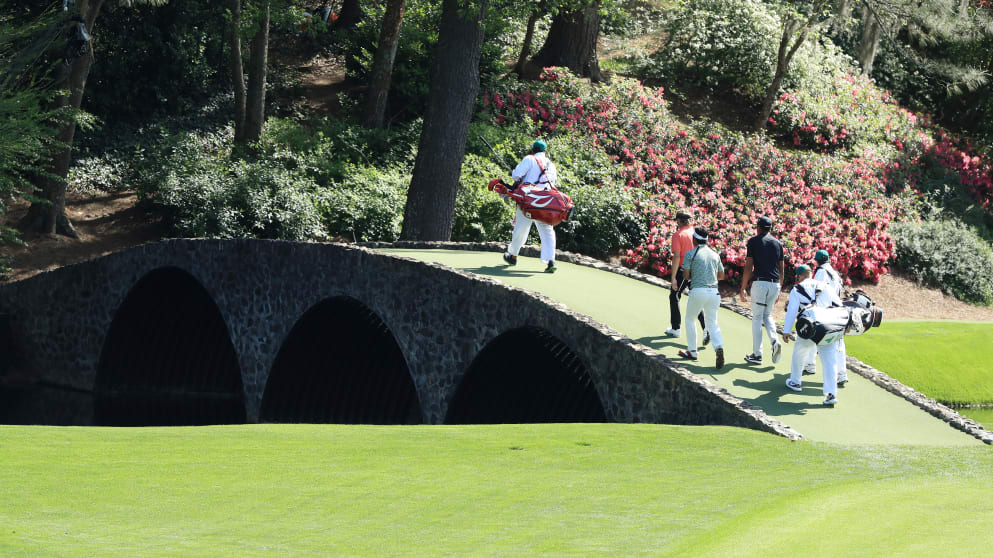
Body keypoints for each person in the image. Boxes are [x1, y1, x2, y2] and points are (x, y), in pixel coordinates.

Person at [781, 264, 844, 406]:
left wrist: (786, 331)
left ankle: (795, 382)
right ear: (811, 273)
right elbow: (839, 305)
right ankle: (831, 393)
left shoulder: (796, 289)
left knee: (799, 352)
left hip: (808, 325)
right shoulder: (826, 286)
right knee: (829, 360)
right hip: (827, 325)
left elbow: (791, 311)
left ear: (800, 276)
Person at [502, 139, 559, 273]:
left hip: (528, 200)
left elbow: (516, 175)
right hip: (545, 202)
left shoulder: (529, 159)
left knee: (521, 228)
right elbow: (553, 182)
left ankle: (513, 255)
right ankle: (550, 261)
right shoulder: (551, 165)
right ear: (545, 151)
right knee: (547, 231)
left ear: (533, 149)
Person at [677, 227, 726, 369]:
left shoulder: (690, 253)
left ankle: (692, 351)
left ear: (694, 239)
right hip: (714, 293)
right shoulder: (715, 254)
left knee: (690, 319)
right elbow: (721, 276)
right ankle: (718, 347)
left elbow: (686, 275)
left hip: (698, 291)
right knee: (713, 323)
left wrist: (696, 276)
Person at [739, 216, 785, 365]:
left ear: (758, 227)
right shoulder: (778, 243)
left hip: (760, 284)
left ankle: (757, 355)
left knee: (757, 318)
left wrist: (743, 287)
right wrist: (780, 288)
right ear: (770, 228)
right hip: (775, 285)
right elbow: (781, 268)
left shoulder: (753, 241)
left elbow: (748, 266)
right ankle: (774, 341)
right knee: (767, 315)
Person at [664, 211, 708, 346]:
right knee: (696, 298)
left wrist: (673, 277)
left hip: (684, 270)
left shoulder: (678, 235)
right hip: (697, 270)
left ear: (679, 221)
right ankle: (706, 328)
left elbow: (677, 256)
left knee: (674, 296)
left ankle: (676, 328)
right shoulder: (695, 233)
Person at [811, 249, 849, 386]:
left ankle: (810, 364)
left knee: (814, 337)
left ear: (818, 261)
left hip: (824, 311)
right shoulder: (834, 272)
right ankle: (841, 372)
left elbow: (815, 290)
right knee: (839, 342)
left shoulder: (821, 271)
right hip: (837, 309)